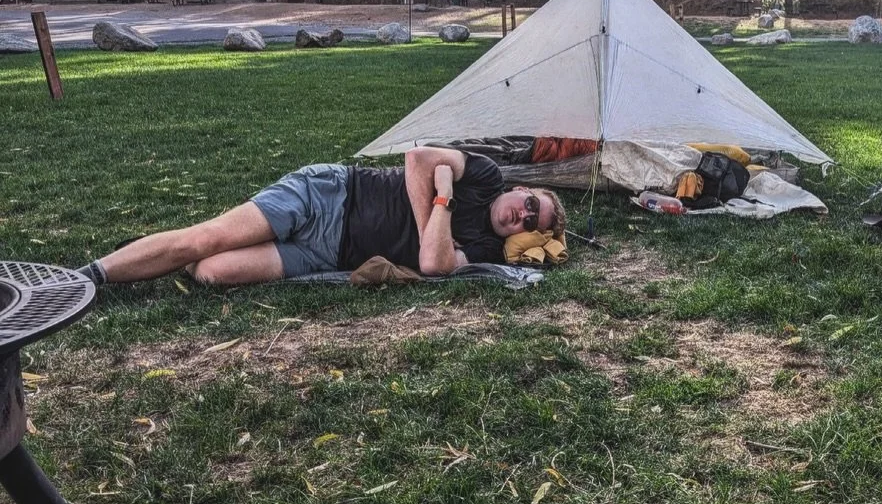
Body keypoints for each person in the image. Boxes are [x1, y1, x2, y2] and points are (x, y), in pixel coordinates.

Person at [75, 147, 566, 287]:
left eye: (530, 224)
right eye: (528, 204)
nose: (520, 216)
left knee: (212, 271)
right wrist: (431, 227)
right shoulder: (484, 176)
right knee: (204, 241)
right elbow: (418, 159)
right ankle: (90, 276)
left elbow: (436, 266)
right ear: (521, 189)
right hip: (329, 195)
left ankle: (165, 253)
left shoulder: (482, 248)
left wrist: (442, 200)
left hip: (325, 252)